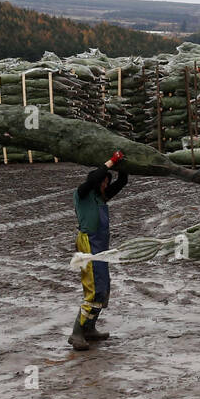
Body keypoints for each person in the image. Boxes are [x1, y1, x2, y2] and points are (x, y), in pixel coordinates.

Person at [68, 150, 128, 351]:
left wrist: (125, 166)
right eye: (103, 182)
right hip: (88, 244)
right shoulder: (83, 193)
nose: (106, 185)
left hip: (101, 247)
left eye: (107, 182)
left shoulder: (101, 197)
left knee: (103, 289)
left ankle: (90, 328)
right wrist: (112, 161)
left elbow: (122, 182)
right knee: (93, 290)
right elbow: (93, 177)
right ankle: (77, 333)